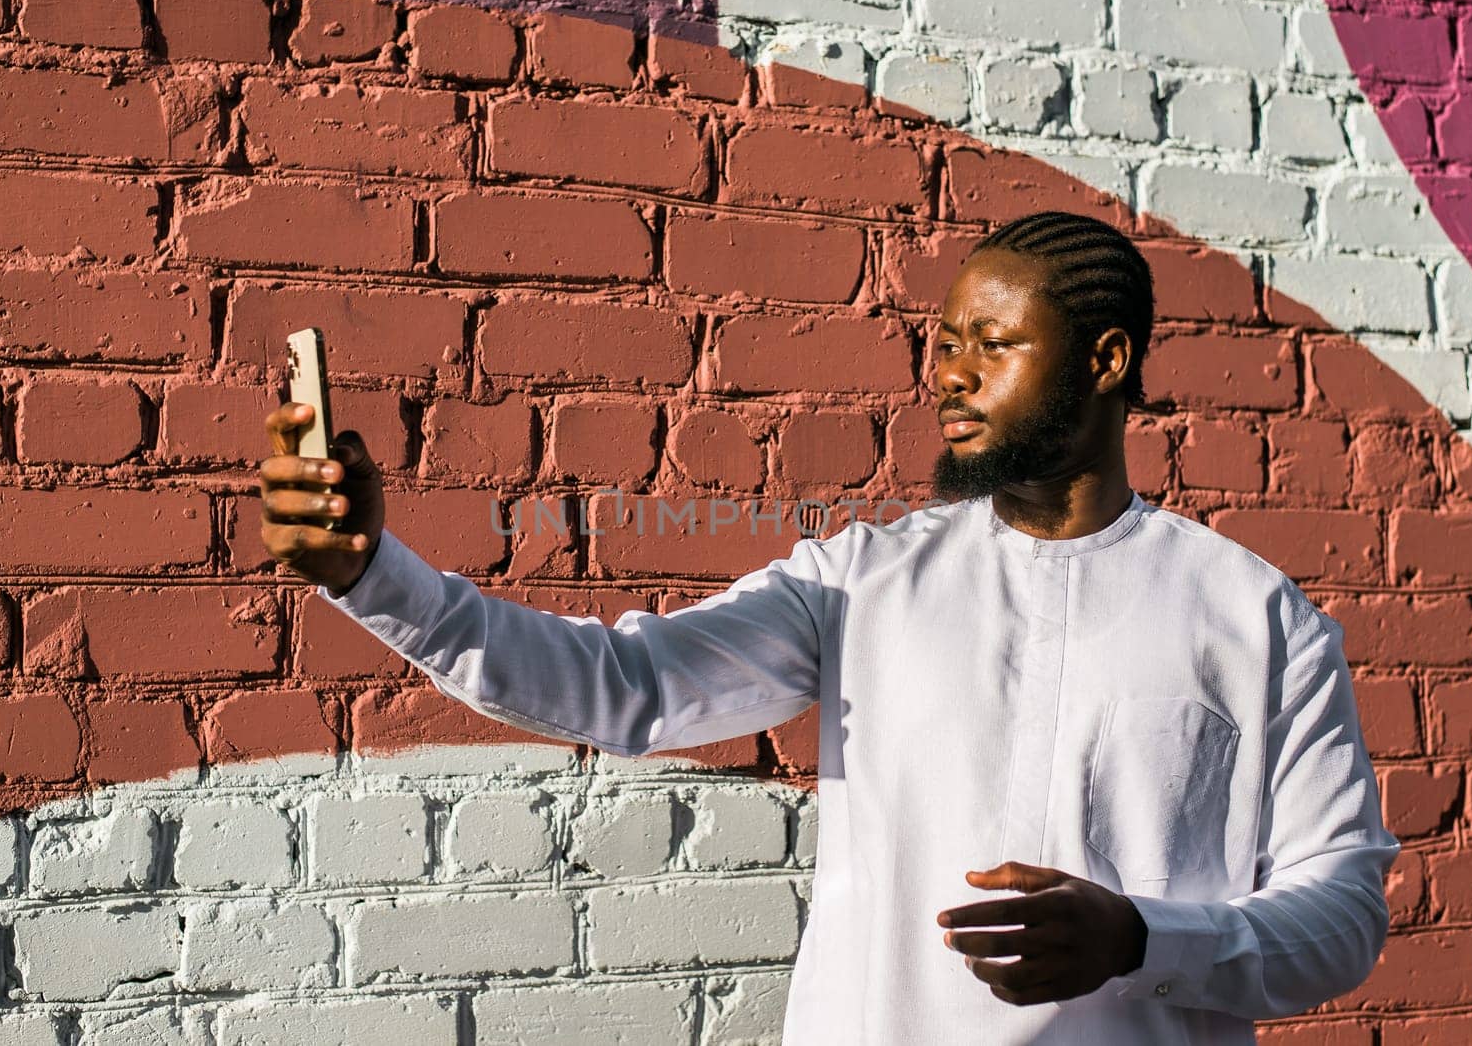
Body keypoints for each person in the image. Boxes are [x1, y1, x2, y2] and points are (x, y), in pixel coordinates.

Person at [259, 211, 1399, 1044]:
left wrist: (1144, 940)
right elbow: (623, 683)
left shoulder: (1254, 617)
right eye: (943, 342)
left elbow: (1341, 914)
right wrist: (375, 575)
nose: (948, 375)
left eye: (990, 345)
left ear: (1105, 362)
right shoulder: (861, 582)